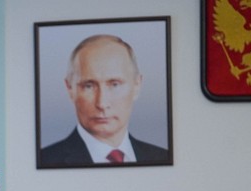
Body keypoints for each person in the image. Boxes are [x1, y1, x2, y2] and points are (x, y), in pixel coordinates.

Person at [39, 34, 169, 166]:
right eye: (89, 86)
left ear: (137, 86)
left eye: (115, 84)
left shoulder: (162, 157)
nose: (102, 103)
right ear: (70, 89)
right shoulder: (46, 161)